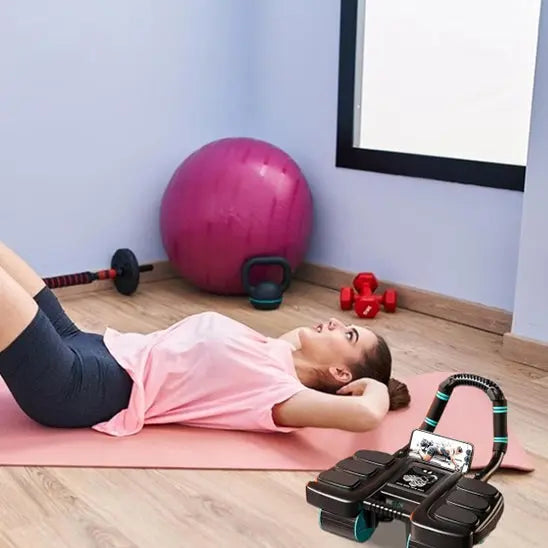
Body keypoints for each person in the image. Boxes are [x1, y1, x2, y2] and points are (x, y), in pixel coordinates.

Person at [0, 241, 410, 437]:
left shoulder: (280, 394)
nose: (335, 322)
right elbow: (300, 347)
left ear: (341, 373)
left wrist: (373, 387)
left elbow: (365, 415)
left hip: (76, 384)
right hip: (84, 342)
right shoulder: (279, 350)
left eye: (348, 334)